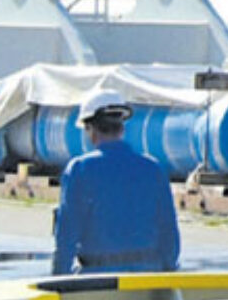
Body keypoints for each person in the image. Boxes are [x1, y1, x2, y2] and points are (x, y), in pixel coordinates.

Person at [51, 91, 179, 275]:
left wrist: (59, 279)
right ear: (122, 128)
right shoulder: (153, 168)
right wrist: (167, 275)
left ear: (90, 129)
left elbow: (67, 236)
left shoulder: (80, 169)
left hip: (97, 280)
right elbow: (169, 233)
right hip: (147, 277)